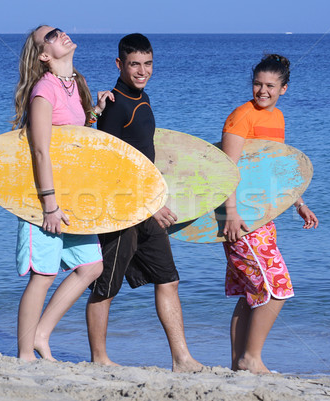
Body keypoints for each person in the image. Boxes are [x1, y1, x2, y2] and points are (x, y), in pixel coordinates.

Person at [85, 33, 203, 373]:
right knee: (105, 285)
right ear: (119, 64)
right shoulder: (116, 105)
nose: (142, 71)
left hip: (146, 207)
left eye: (147, 64)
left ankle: (182, 359)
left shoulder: (143, 97)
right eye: (134, 64)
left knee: (168, 278)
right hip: (123, 209)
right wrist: (149, 205)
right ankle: (99, 360)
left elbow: (141, 157)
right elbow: (109, 166)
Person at [11, 25, 113, 361]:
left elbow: (72, 142)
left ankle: (41, 334)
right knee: (44, 275)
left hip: (71, 196)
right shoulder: (44, 90)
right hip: (44, 200)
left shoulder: (73, 84)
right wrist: (50, 206)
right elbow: (40, 151)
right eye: (52, 35)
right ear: (43, 54)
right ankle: (25, 354)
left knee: (91, 267)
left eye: (60, 30)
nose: (63, 34)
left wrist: (94, 112)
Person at [221, 54, 319, 374]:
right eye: (257, 84)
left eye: (270, 86)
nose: (262, 91)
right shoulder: (241, 116)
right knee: (277, 288)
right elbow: (226, 169)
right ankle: (252, 359)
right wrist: (231, 214)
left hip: (265, 216)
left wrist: (299, 203)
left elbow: (277, 169)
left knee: (253, 292)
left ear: (284, 89)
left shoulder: (277, 119)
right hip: (243, 218)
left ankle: (239, 364)